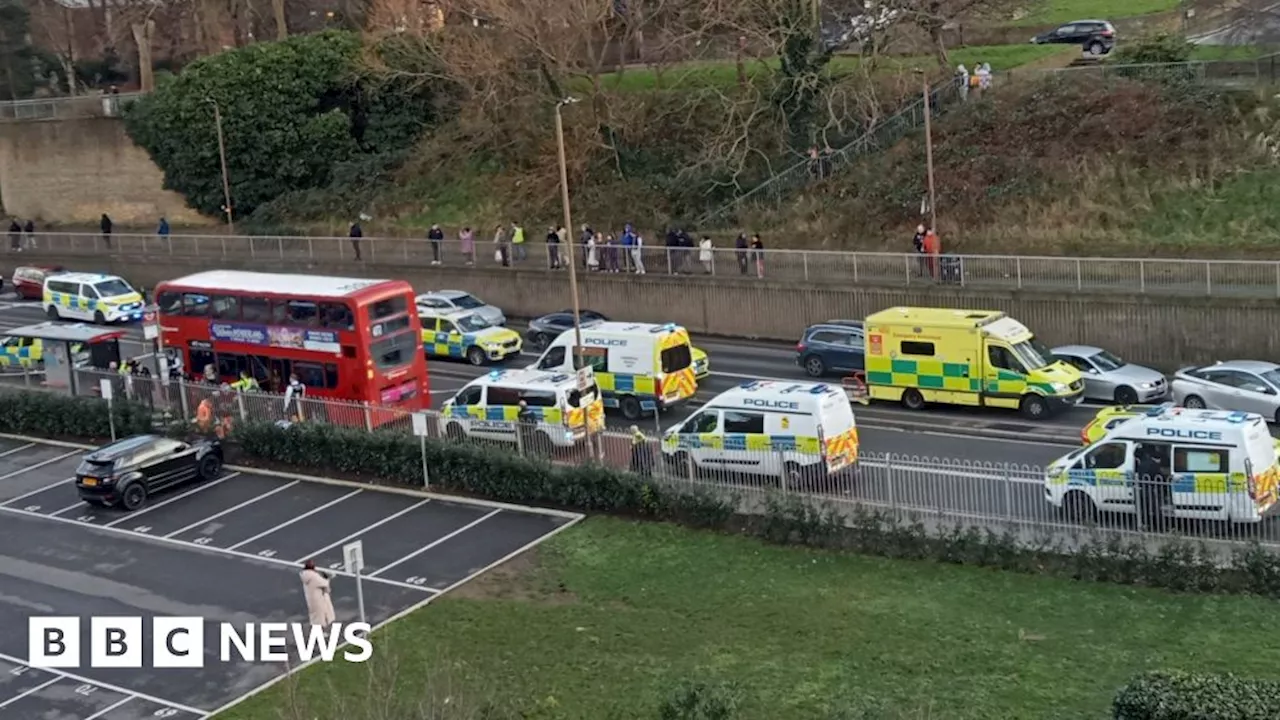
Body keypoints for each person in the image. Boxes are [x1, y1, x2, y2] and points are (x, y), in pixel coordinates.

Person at [300, 560, 336, 629]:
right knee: (322, 617)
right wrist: (327, 578)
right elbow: (325, 584)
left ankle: (319, 632)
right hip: (319, 600)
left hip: (311, 599)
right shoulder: (314, 577)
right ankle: (321, 633)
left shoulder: (305, 576)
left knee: (315, 617)